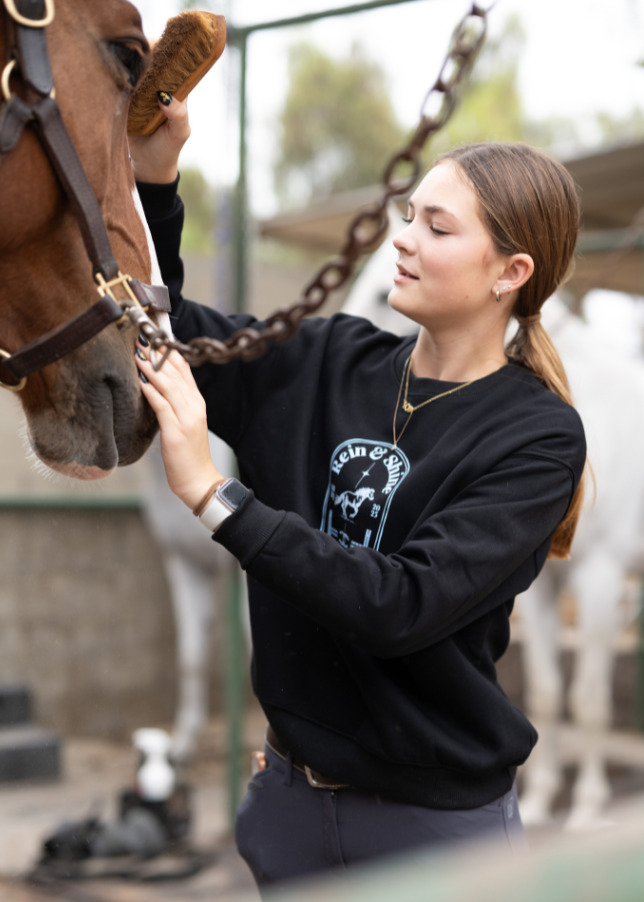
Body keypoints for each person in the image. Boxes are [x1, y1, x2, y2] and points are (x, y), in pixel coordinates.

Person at [129, 94, 586, 888]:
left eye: (438, 228)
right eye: (410, 216)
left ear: (510, 273)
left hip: (435, 831)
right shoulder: (326, 356)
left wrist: (213, 497)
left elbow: (399, 606)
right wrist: (157, 182)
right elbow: (173, 333)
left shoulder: (537, 436)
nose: (402, 240)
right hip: (290, 806)